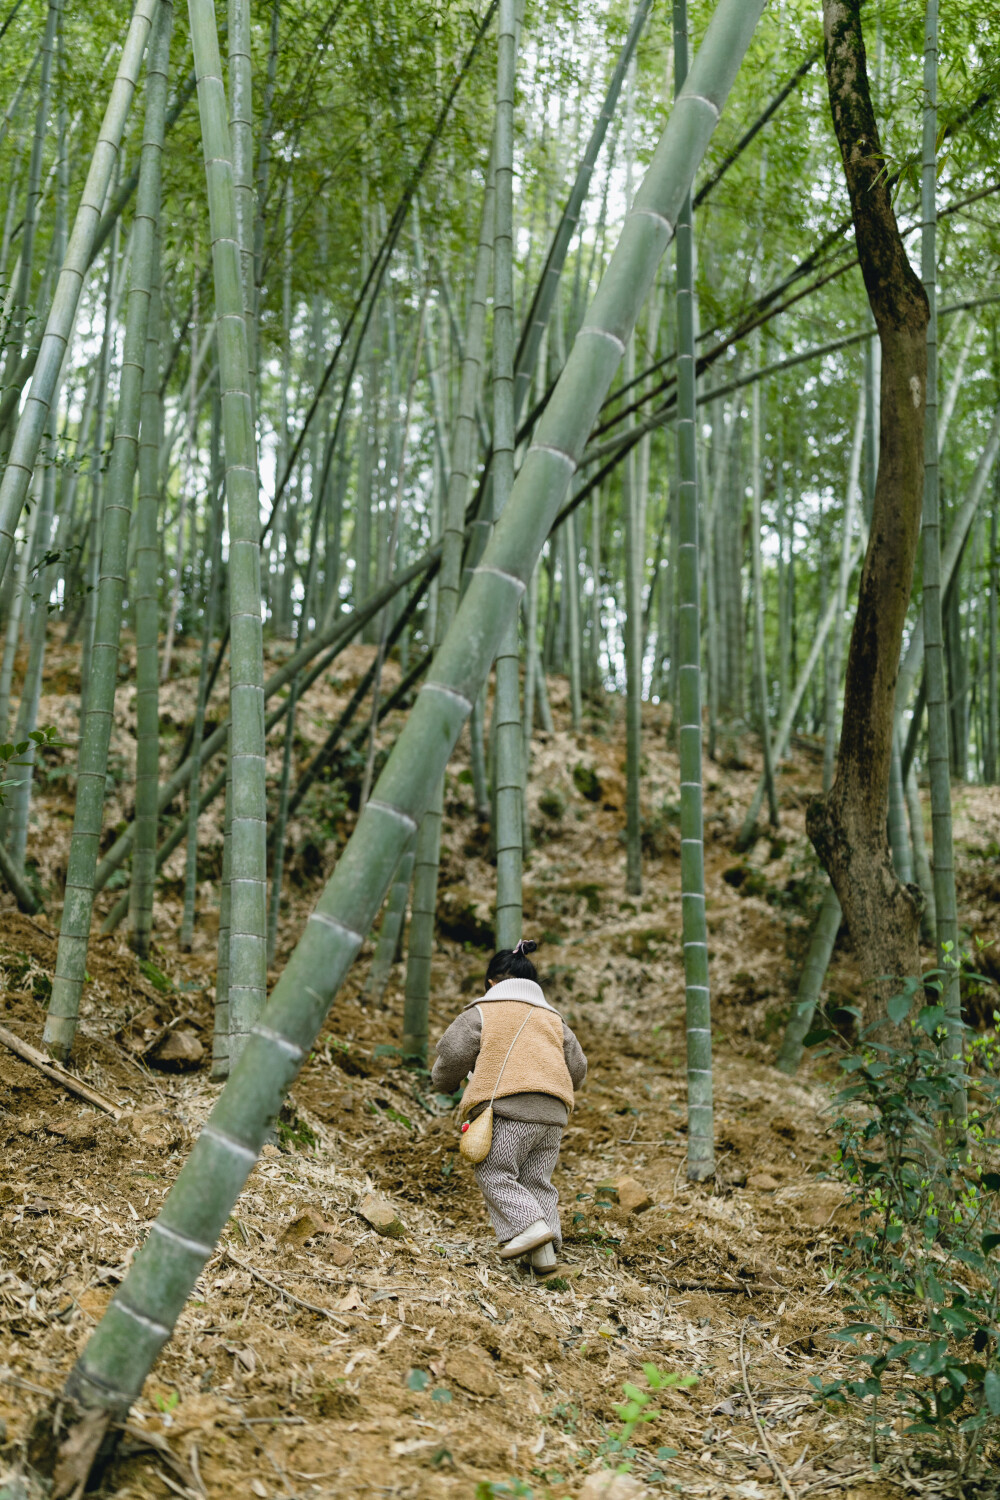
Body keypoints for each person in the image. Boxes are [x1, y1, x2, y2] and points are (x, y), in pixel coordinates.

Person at [431, 939, 587, 1273]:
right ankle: (544, 1257)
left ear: (491, 982)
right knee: (536, 1179)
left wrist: (445, 1083)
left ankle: (530, 1229)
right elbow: (578, 1068)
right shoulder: (554, 1019)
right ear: (533, 983)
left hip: (507, 1108)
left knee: (494, 1171)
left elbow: (454, 1054)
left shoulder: (482, 1011)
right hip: (554, 1114)